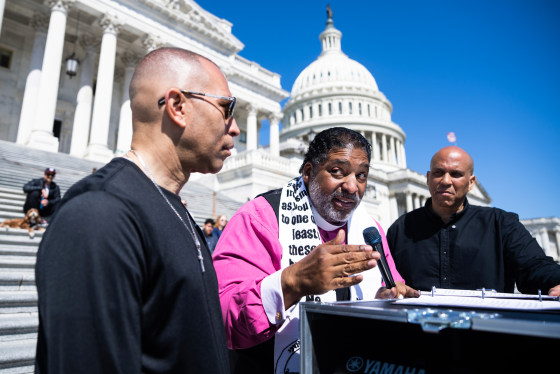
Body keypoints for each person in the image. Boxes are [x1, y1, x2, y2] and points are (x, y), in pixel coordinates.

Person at [35, 47, 240, 373]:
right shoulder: (99, 215)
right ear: (178, 107)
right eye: (226, 108)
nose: (235, 128)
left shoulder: (171, 206)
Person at [212, 127, 418, 374]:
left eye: (362, 176)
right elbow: (219, 318)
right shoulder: (261, 218)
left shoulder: (371, 230)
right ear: (309, 172)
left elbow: (393, 284)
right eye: (337, 172)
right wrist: (292, 283)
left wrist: (388, 301)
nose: (352, 186)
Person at [387, 146, 560, 296]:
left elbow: (534, 266)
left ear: (471, 183)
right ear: (428, 178)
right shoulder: (401, 229)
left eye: (455, 174)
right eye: (438, 173)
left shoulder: (501, 224)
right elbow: (385, 278)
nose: (445, 181)